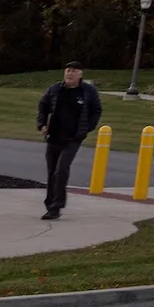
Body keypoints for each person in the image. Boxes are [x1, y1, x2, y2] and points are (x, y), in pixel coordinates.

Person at [35, 62, 102, 220]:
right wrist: (42, 124)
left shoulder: (88, 92)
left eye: (73, 71)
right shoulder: (55, 89)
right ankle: (50, 204)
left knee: (61, 170)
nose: (70, 74)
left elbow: (96, 110)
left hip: (73, 138)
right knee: (52, 172)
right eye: (68, 71)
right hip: (54, 137)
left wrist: (86, 129)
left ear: (80, 74)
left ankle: (57, 206)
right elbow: (43, 106)